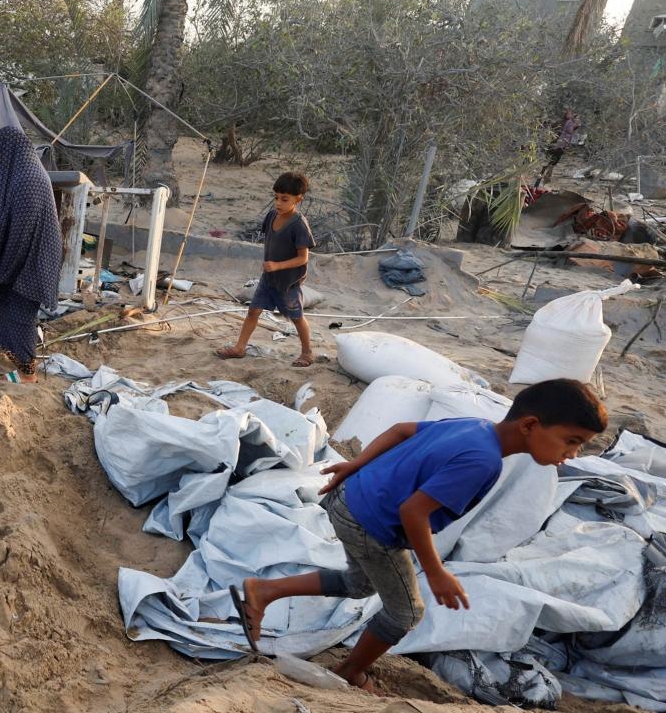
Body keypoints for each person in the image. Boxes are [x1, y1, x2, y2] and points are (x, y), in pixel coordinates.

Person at [229, 378, 607, 692]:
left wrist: (357, 464)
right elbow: (413, 513)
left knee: (360, 584)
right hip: (372, 524)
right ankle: (349, 673)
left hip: (351, 499)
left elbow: (400, 430)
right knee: (407, 612)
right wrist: (437, 572)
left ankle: (265, 591)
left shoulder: (473, 427)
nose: (572, 454)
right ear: (529, 425)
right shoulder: (483, 460)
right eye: (571, 440)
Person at [0, 122, 62, 384]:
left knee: (20, 314)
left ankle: (27, 374)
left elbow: (23, 231)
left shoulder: (28, 179)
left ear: (9, 150)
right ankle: (13, 356)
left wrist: (6, 269)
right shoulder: (16, 173)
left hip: (29, 262)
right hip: (12, 258)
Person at [217, 172, 316, 367]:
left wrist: (278, 265)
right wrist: (272, 267)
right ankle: (240, 347)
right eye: (276, 198)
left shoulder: (299, 225)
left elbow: (303, 258)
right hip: (268, 278)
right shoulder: (272, 216)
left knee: (296, 318)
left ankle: (307, 352)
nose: (278, 203)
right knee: (253, 311)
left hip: (288, 283)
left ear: (298, 199)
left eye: (284, 199)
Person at [540, 109, 580, 184]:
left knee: (553, 160)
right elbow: (569, 130)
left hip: (560, 144)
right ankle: (546, 175)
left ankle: (546, 174)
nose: (569, 115)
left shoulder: (565, 122)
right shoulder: (566, 123)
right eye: (568, 114)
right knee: (553, 159)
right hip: (558, 144)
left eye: (570, 114)